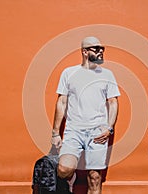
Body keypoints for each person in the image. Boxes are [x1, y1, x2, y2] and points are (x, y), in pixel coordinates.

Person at [51, 36, 120, 194]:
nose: (101, 51)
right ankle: (70, 180)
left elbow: (113, 102)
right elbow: (61, 102)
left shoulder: (107, 74)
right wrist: (55, 133)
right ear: (84, 52)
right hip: (73, 131)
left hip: (97, 132)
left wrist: (109, 128)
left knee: (94, 177)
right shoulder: (69, 73)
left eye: (102, 49)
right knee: (63, 170)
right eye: (96, 48)